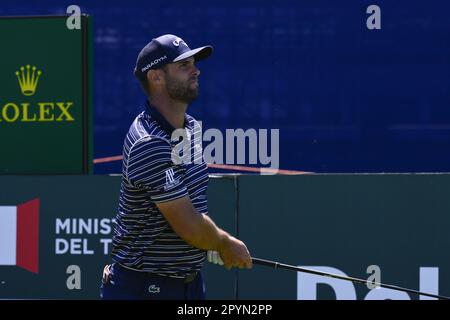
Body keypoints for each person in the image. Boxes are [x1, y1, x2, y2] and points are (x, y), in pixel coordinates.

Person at [100, 34, 252, 300]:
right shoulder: (149, 143)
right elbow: (189, 226)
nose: (196, 70)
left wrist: (209, 244)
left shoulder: (191, 128)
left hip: (189, 285)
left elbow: (194, 210)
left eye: (193, 63)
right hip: (143, 288)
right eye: (184, 66)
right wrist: (223, 243)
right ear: (156, 77)